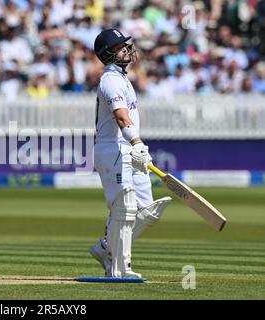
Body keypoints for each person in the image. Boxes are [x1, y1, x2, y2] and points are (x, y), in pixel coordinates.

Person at [89, 28, 172, 278]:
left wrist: (135, 146)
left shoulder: (123, 78)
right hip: (113, 148)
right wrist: (137, 143)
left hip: (127, 149)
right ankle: (119, 268)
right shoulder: (110, 80)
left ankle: (106, 248)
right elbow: (121, 117)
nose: (127, 49)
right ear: (108, 54)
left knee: (146, 210)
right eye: (121, 47)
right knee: (124, 208)